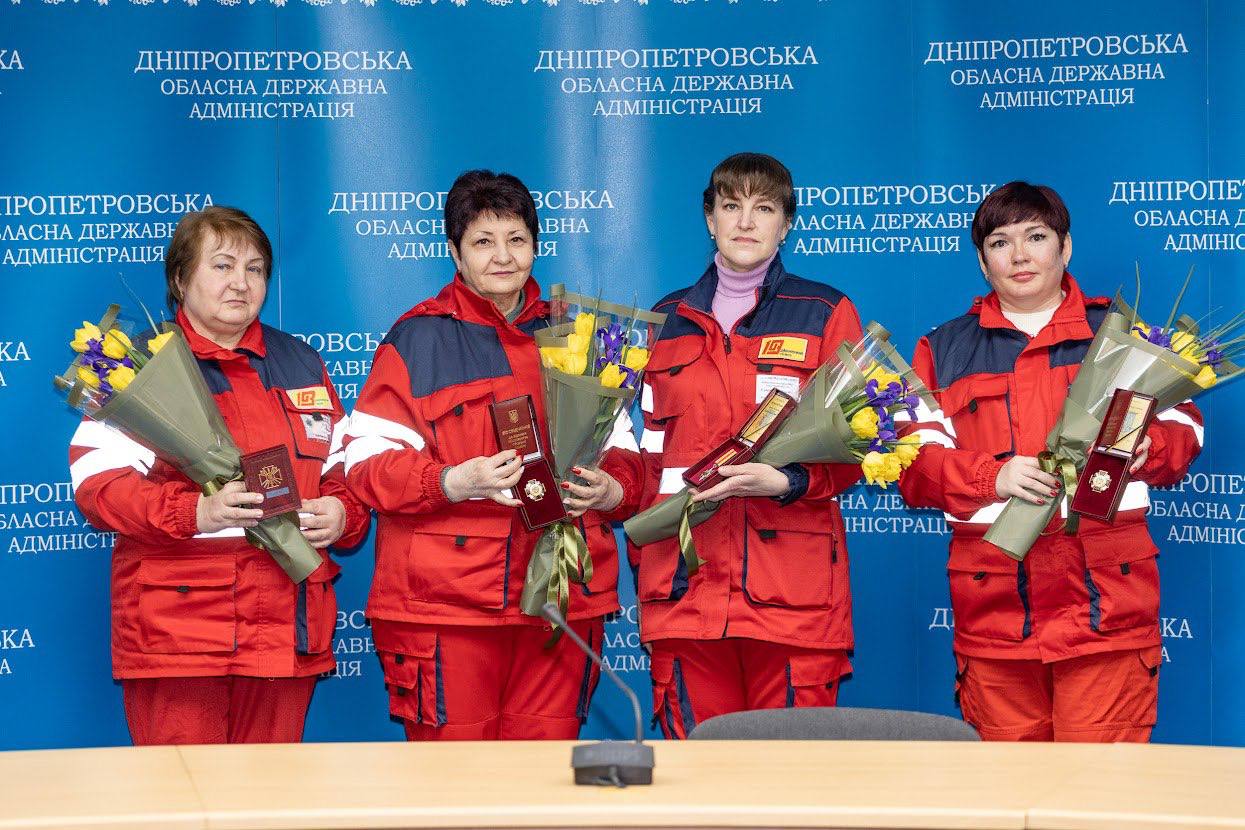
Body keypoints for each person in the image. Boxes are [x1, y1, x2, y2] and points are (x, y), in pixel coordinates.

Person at [898, 181, 1203, 742]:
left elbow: (1184, 429)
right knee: (1006, 804)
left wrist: (1147, 448)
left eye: (1036, 237)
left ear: (1064, 248)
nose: (1019, 255)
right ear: (981, 260)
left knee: (1098, 803)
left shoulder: (1122, 335)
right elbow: (914, 467)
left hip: (1106, 605)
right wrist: (994, 477)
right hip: (995, 612)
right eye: (1000, 241)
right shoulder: (939, 349)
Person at [343, 170, 638, 740]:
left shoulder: (580, 336)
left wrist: (613, 488)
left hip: (559, 602)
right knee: (453, 791)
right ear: (454, 252)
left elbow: (627, 451)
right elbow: (365, 468)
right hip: (446, 611)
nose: (502, 256)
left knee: (544, 787)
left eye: (516, 239)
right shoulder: (415, 340)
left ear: (536, 245)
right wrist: (452, 480)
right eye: (483, 241)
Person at [70, 206, 370, 744]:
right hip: (181, 634)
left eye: (255, 269)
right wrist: (196, 512)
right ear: (180, 279)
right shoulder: (137, 367)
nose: (241, 283)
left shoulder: (300, 362)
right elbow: (98, 487)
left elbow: (344, 466)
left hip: (286, 628)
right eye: (223, 266)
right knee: (183, 810)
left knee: (270, 808)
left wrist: (343, 511)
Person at [631, 152, 864, 738]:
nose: (745, 222)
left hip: (791, 594)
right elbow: (645, 457)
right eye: (731, 206)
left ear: (786, 224)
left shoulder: (827, 313)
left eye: (764, 208)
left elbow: (860, 447)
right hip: (685, 586)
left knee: (789, 790)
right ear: (709, 218)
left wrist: (788, 482)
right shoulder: (664, 320)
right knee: (700, 792)